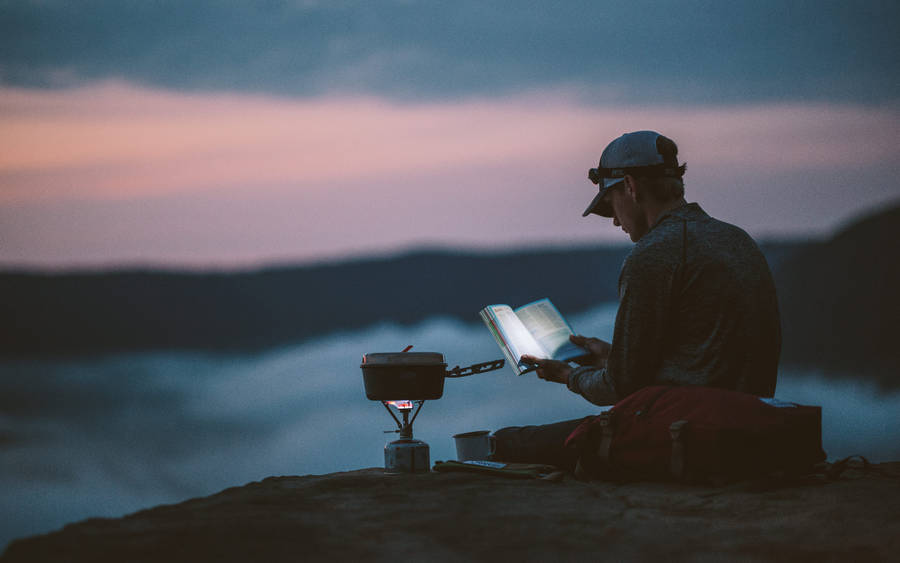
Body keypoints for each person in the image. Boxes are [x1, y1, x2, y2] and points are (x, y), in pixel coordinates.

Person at [492, 130, 781, 469]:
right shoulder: (737, 240)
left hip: (690, 433)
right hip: (755, 425)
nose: (614, 220)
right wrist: (612, 356)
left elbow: (620, 388)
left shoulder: (652, 254)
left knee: (503, 444)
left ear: (630, 186)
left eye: (611, 204)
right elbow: (705, 358)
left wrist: (567, 375)